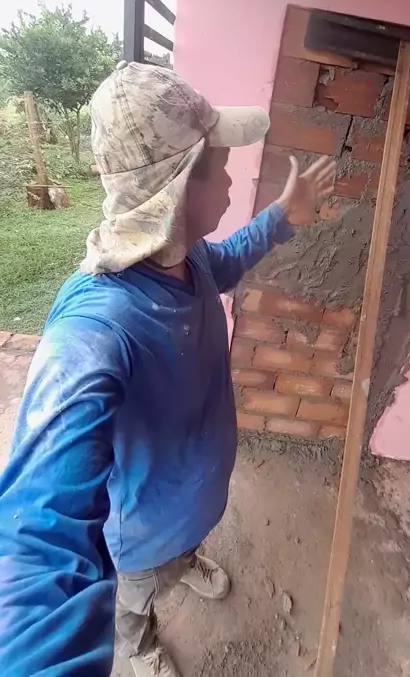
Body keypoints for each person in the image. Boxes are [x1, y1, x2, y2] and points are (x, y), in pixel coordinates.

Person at [0, 61, 335, 677]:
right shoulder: (97, 330)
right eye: (220, 163)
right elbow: (36, 536)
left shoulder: (183, 255)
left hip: (192, 502)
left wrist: (282, 217)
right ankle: (140, 644)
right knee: (136, 599)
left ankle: (186, 558)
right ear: (181, 185)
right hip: (143, 537)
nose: (231, 178)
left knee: (179, 555)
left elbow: (224, 263)